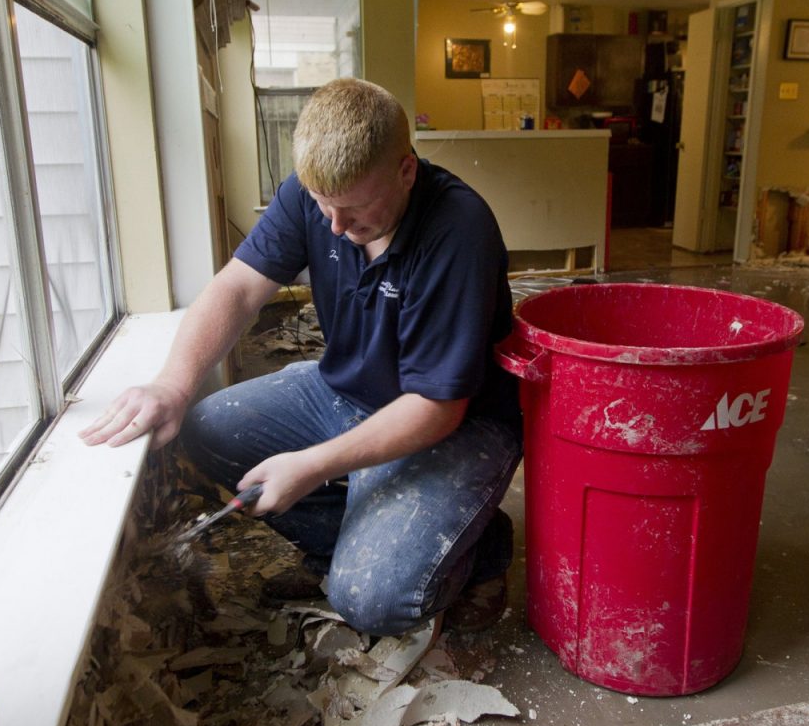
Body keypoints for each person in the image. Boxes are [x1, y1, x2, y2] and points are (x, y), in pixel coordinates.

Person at [80, 78, 522, 636]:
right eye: (322, 206)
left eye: (355, 209)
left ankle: (480, 549)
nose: (335, 227)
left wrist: (313, 466)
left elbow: (437, 408)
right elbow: (238, 288)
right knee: (209, 426)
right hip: (345, 392)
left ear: (406, 171)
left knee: (373, 602)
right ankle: (362, 538)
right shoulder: (313, 195)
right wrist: (173, 383)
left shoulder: (459, 231)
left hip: (452, 423)